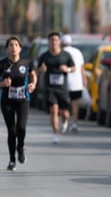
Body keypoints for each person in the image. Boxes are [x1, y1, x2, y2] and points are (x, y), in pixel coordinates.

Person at [0, 36, 37, 171]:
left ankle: (20, 148)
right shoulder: (2, 64)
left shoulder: (26, 62)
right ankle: (12, 160)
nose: (13, 47)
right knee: (12, 130)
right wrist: (2, 84)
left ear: (20, 48)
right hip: (7, 101)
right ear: (7, 49)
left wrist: (33, 84)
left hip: (23, 100)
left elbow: (33, 75)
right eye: (10, 45)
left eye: (16, 45)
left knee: (21, 127)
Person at [38, 32, 75, 144]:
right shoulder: (44, 56)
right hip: (49, 88)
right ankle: (56, 134)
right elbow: (38, 70)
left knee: (64, 112)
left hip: (62, 88)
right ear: (49, 42)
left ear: (59, 42)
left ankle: (65, 121)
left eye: (56, 40)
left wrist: (67, 69)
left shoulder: (66, 55)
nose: (54, 42)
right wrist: (42, 70)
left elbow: (73, 67)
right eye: (51, 40)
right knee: (53, 110)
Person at [61, 34, 87, 133]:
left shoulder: (61, 52)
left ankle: (65, 121)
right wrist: (84, 82)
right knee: (75, 105)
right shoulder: (78, 52)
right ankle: (74, 124)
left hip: (64, 84)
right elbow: (82, 69)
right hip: (77, 83)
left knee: (64, 105)